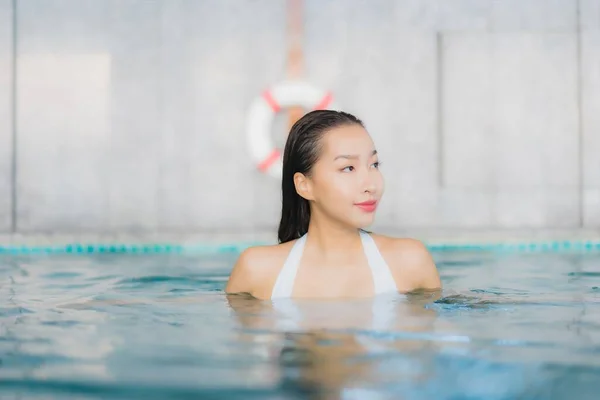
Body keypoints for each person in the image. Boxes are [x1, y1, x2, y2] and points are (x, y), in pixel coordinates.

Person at [226, 110, 441, 300]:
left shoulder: (410, 261)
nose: (371, 185)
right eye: (348, 168)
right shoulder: (257, 270)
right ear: (304, 185)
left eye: (374, 164)